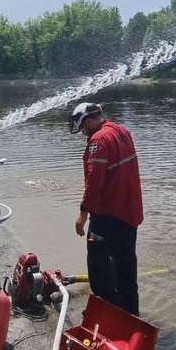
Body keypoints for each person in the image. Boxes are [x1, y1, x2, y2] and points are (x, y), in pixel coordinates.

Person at [69, 102, 144, 316]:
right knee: (126, 270)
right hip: (129, 214)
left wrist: (82, 215)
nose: (83, 132)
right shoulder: (123, 132)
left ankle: (107, 317)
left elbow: (94, 182)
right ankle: (131, 317)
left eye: (83, 126)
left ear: (89, 120)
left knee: (100, 271)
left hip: (108, 215)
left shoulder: (99, 140)